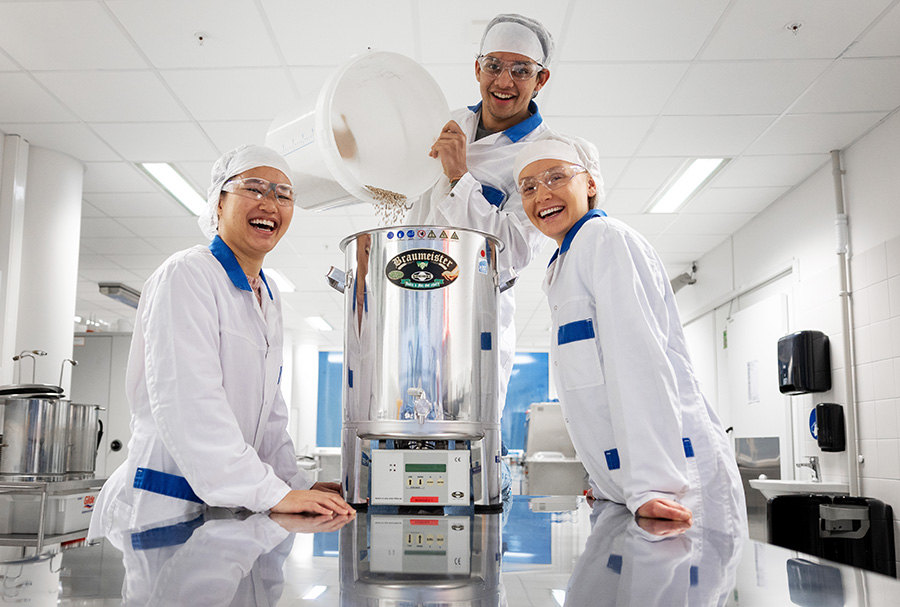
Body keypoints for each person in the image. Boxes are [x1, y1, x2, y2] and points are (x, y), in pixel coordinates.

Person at [89, 144, 355, 537]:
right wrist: (270, 492)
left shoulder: (266, 293)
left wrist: (296, 484)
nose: (270, 204)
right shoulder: (187, 275)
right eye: (255, 189)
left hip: (225, 507)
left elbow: (268, 414)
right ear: (218, 202)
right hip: (166, 505)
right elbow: (191, 403)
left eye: (283, 195)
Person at [513, 136, 746, 530]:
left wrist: (652, 486)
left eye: (556, 178)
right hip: (629, 491)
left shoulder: (605, 240)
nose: (542, 195)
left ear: (589, 185)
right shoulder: (566, 261)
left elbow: (638, 362)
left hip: (670, 489)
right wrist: (606, 482)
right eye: (529, 187)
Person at [406, 13, 556, 494]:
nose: (505, 81)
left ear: (541, 79)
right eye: (494, 65)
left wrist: (459, 178)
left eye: (521, 70)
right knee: (404, 423)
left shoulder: (541, 155)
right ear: (477, 69)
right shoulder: (450, 122)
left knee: (467, 434)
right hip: (412, 295)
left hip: (476, 313)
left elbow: (510, 252)